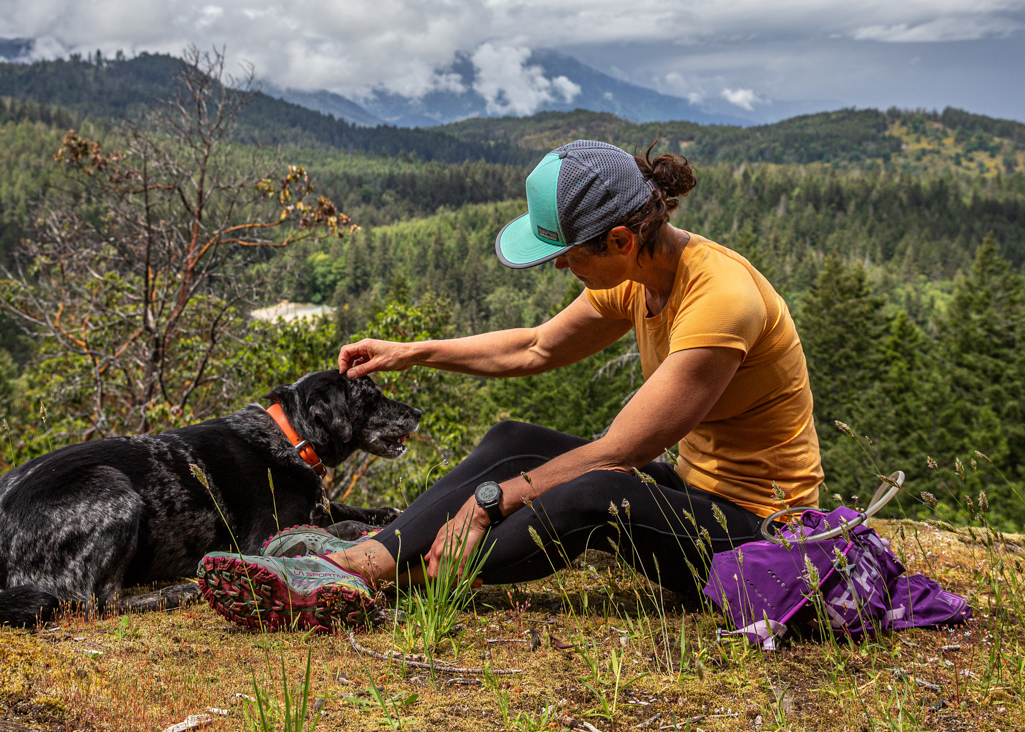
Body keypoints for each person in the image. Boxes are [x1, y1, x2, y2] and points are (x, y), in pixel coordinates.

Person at [197, 139, 824, 633]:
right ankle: (362, 562)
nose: (559, 267)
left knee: (595, 489)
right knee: (513, 438)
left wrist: (489, 502)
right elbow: (536, 346)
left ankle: (369, 574)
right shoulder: (640, 272)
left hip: (761, 529)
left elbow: (621, 452)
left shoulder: (720, 300)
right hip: (698, 489)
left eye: (565, 254)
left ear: (621, 239)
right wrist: (413, 353)